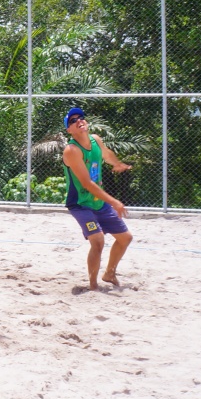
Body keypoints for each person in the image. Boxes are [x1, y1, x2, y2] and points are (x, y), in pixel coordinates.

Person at [61, 106, 134, 290]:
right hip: (80, 205)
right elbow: (86, 184)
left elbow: (106, 154)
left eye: (81, 117)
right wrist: (114, 201)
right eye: (73, 120)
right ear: (69, 129)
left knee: (125, 238)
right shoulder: (72, 150)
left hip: (98, 203)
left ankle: (109, 273)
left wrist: (117, 163)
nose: (79, 121)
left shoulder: (95, 140)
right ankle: (93, 286)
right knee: (98, 240)